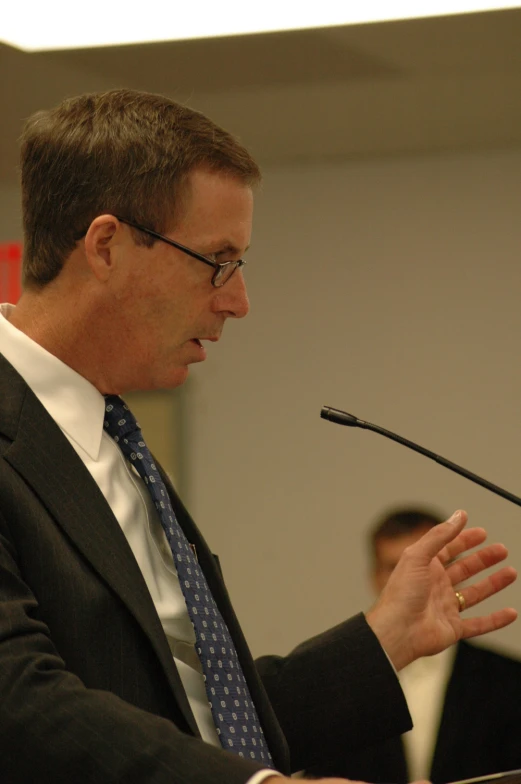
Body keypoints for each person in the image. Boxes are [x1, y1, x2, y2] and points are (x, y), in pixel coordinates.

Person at [0, 89, 517, 784]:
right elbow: (19, 702)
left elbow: (202, 723)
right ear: (106, 246)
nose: (237, 301)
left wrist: (380, 641)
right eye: (217, 260)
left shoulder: (116, 441)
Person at [307, 507, 521, 784]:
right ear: (375, 578)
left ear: (454, 571)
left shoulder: (511, 680)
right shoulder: (342, 687)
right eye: (394, 569)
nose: (413, 584)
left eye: (428, 565)